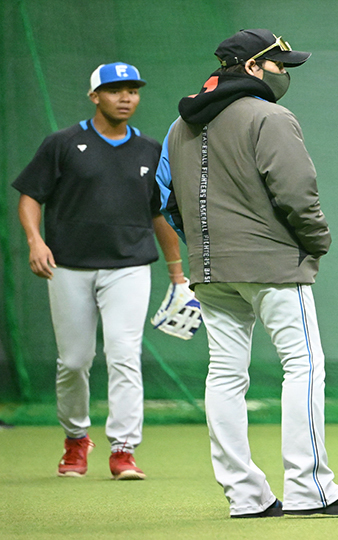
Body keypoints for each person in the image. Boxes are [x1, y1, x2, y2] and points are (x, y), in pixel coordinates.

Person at [155, 29, 338, 518]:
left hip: (209, 268)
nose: (285, 74)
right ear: (251, 67)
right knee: (304, 365)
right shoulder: (270, 116)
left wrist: (202, 246)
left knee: (225, 375)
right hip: (271, 263)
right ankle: (310, 489)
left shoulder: (176, 127)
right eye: (280, 65)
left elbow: (164, 200)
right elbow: (296, 192)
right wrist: (316, 242)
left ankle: (245, 496)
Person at [13, 62, 185, 480]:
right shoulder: (63, 143)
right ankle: (76, 439)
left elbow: (159, 213)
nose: (125, 97)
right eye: (115, 90)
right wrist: (36, 241)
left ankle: (124, 450)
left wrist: (178, 272)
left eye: (132, 90)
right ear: (95, 96)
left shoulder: (150, 151)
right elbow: (30, 197)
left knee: (125, 355)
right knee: (74, 361)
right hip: (68, 267)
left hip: (128, 268)